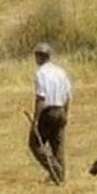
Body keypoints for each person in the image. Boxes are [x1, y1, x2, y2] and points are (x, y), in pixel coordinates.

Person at [28, 41, 72, 183]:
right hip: (60, 110)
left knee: (35, 144)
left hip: (48, 112)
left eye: (36, 56)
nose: (35, 59)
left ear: (40, 57)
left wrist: (35, 120)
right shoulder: (60, 72)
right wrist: (65, 113)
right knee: (57, 145)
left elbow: (41, 98)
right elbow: (67, 96)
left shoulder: (41, 73)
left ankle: (56, 170)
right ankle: (59, 176)